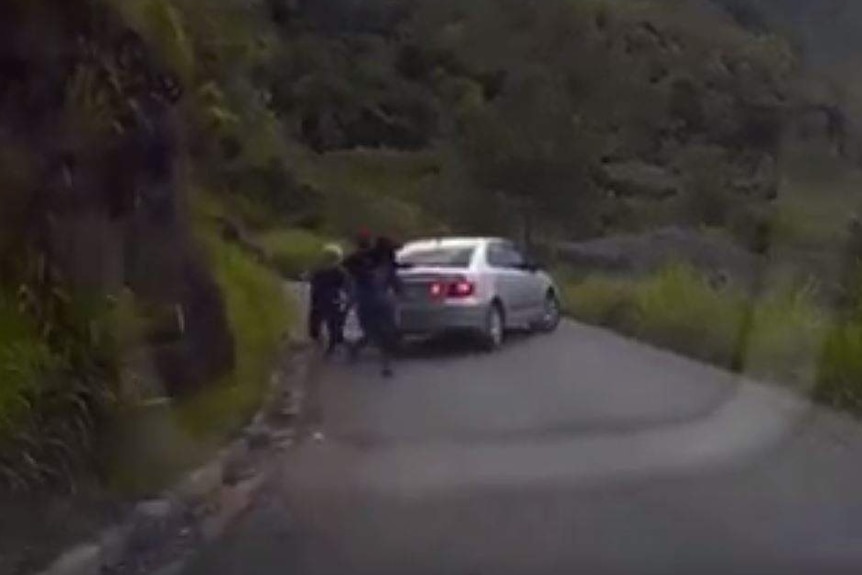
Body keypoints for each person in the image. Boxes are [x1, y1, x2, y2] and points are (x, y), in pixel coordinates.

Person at [344, 234, 402, 377]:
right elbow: (395, 282)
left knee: (376, 331)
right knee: (381, 332)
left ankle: (378, 358)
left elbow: (395, 281)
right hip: (377, 301)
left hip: (372, 301)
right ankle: (384, 362)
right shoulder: (380, 265)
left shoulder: (366, 263)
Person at [307, 243, 350, 356]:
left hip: (319, 299)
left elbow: (313, 284)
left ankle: (319, 343)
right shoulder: (340, 272)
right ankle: (333, 343)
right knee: (333, 323)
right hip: (333, 300)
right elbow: (346, 287)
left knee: (316, 320)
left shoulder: (318, 271)